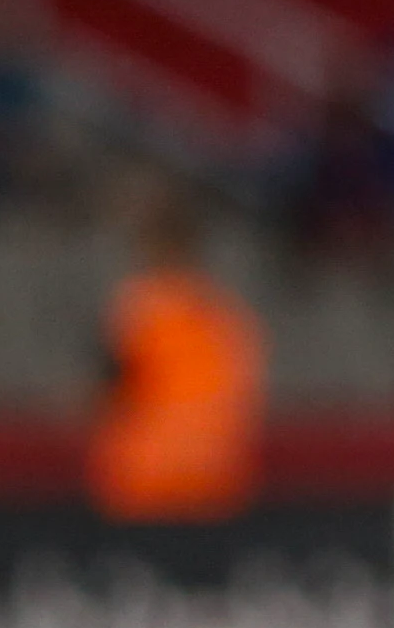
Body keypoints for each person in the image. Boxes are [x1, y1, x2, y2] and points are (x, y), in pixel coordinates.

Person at [87, 193, 265, 522]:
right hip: (211, 480)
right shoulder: (227, 315)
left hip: (145, 481)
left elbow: (107, 389)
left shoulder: (135, 310)